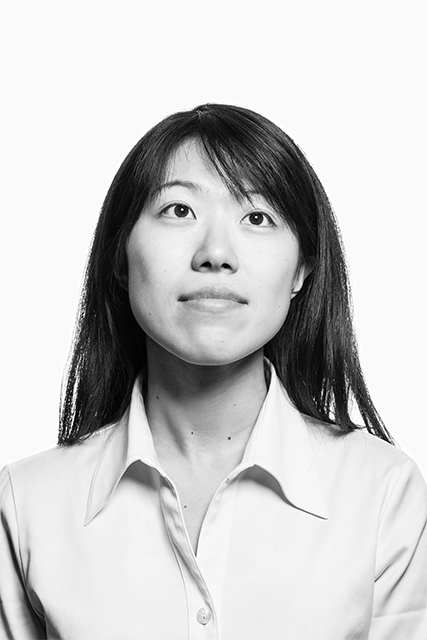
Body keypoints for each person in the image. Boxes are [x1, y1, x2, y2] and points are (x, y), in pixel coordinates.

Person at [1, 104, 426, 639]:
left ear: (302, 269)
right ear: (120, 255)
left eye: (257, 217)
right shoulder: (27, 503)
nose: (216, 253)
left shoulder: (383, 494)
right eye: (179, 210)